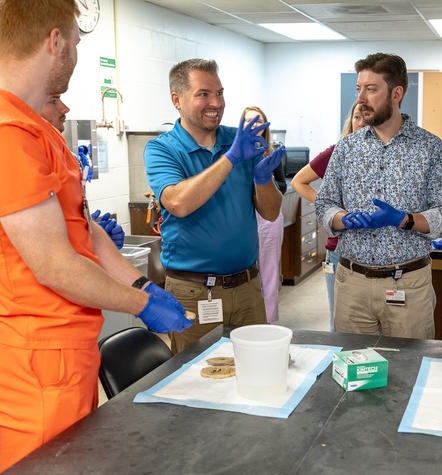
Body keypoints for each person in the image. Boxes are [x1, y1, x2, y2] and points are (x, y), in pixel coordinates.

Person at [0, 1, 191, 470]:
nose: (77, 56)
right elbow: (55, 265)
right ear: (55, 41)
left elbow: (83, 231)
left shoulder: (39, 132)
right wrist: (140, 305)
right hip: (37, 358)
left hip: (66, 351)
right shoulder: (9, 135)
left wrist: (141, 285)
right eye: (78, 43)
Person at [144, 58, 285, 353]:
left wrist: (262, 178)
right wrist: (231, 158)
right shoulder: (162, 149)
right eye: (203, 94)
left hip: (247, 287)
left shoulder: (239, 139)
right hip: (194, 292)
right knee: (197, 382)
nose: (216, 103)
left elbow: (271, 212)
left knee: (257, 366)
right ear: (177, 100)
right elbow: (178, 203)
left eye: (219, 93)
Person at [315, 53, 442, 339]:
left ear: (396, 93)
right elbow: (324, 203)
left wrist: (406, 219)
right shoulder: (347, 148)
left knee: (409, 372)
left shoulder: (429, 147)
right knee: (354, 371)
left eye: (371, 89)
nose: (361, 99)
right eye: (359, 89)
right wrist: (342, 218)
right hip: (352, 285)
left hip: (408, 284)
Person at [291, 101, 366, 330]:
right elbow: (299, 181)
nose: (361, 123)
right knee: (340, 323)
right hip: (339, 251)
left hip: (375, 253)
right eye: (356, 117)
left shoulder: (389, 158)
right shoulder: (336, 152)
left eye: (366, 118)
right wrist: (329, 206)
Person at [40, 94, 125, 249]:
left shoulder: (68, 157)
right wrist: (80, 236)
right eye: (53, 101)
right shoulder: (20, 160)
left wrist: (89, 230)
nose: (65, 108)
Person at [241, 105, 286, 323]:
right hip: (244, 218)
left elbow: (283, 185)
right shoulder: (235, 154)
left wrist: (264, 181)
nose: (254, 125)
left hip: (267, 220)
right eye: (250, 120)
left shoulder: (270, 152)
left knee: (268, 273)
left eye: (259, 121)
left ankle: (269, 322)